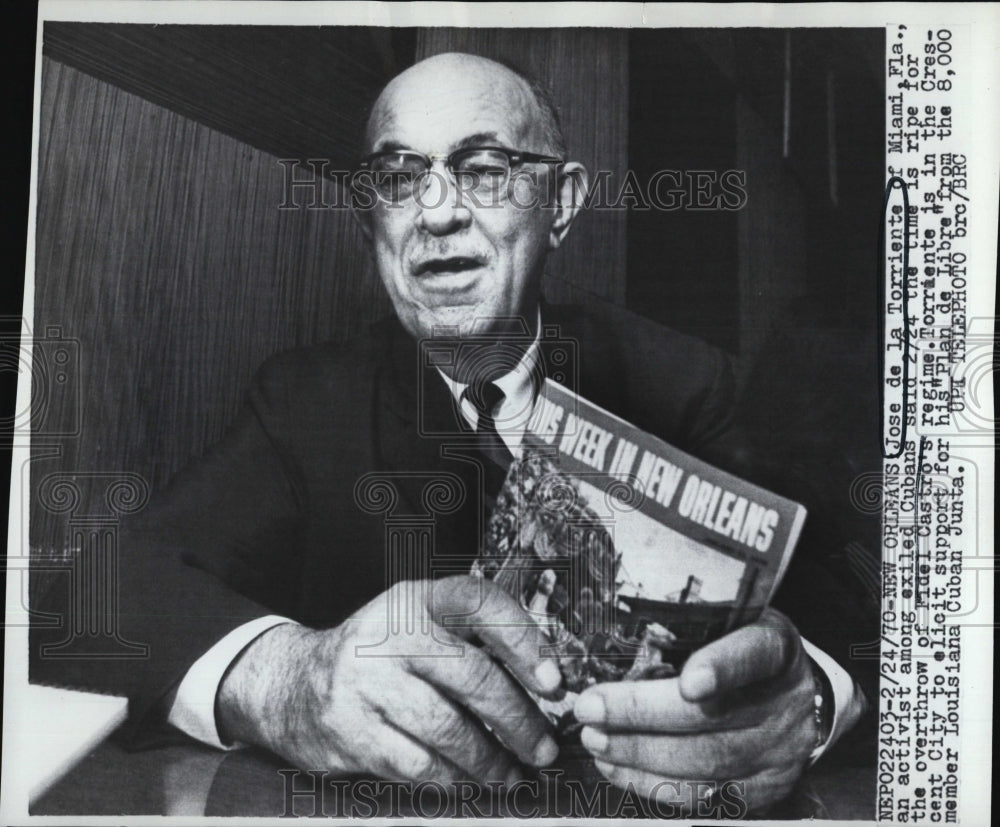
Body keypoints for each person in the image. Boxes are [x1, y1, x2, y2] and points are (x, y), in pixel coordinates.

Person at [32, 52, 872, 814]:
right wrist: (285, 681)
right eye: (398, 178)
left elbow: (849, 617)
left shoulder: (685, 384)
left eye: (484, 168)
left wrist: (809, 702)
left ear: (562, 204)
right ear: (373, 223)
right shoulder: (306, 403)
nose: (435, 211)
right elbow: (97, 596)